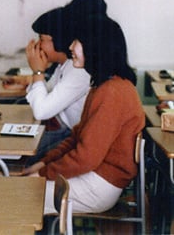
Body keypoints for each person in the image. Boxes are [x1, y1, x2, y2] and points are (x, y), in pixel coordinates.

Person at [23, 15, 145, 214]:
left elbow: (86, 157)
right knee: (21, 187)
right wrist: (43, 163)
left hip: (100, 186)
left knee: (19, 194)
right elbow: (76, 138)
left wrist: (43, 174)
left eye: (77, 41)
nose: (70, 47)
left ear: (95, 47)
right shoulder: (103, 85)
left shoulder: (112, 91)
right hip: (95, 178)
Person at [24, 7, 91, 164]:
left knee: (20, 158)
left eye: (42, 39)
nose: (38, 46)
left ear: (59, 39)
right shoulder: (64, 65)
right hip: (60, 128)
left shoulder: (78, 71)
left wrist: (38, 72)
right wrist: (39, 71)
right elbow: (39, 98)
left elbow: (41, 111)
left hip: (70, 137)